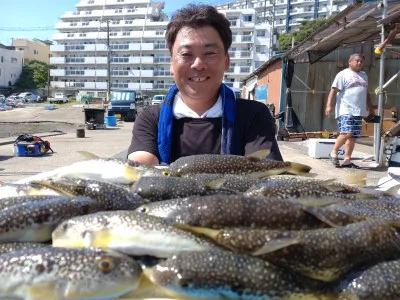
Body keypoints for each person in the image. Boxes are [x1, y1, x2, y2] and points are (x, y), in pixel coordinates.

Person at [127, 4, 282, 165]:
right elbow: (140, 168)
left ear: (226, 61)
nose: (198, 64)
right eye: (186, 54)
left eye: (210, 53)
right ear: (171, 63)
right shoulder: (151, 118)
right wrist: (139, 168)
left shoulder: (253, 115)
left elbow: (265, 175)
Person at [325, 53, 374, 169]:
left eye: (361, 61)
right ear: (350, 61)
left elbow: (366, 93)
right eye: (357, 61)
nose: (359, 63)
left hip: (359, 111)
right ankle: (333, 153)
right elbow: (333, 91)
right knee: (347, 133)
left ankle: (347, 160)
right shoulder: (343, 74)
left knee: (353, 137)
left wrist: (371, 108)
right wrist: (329, 105)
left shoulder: (364, 75)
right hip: (345, 109)